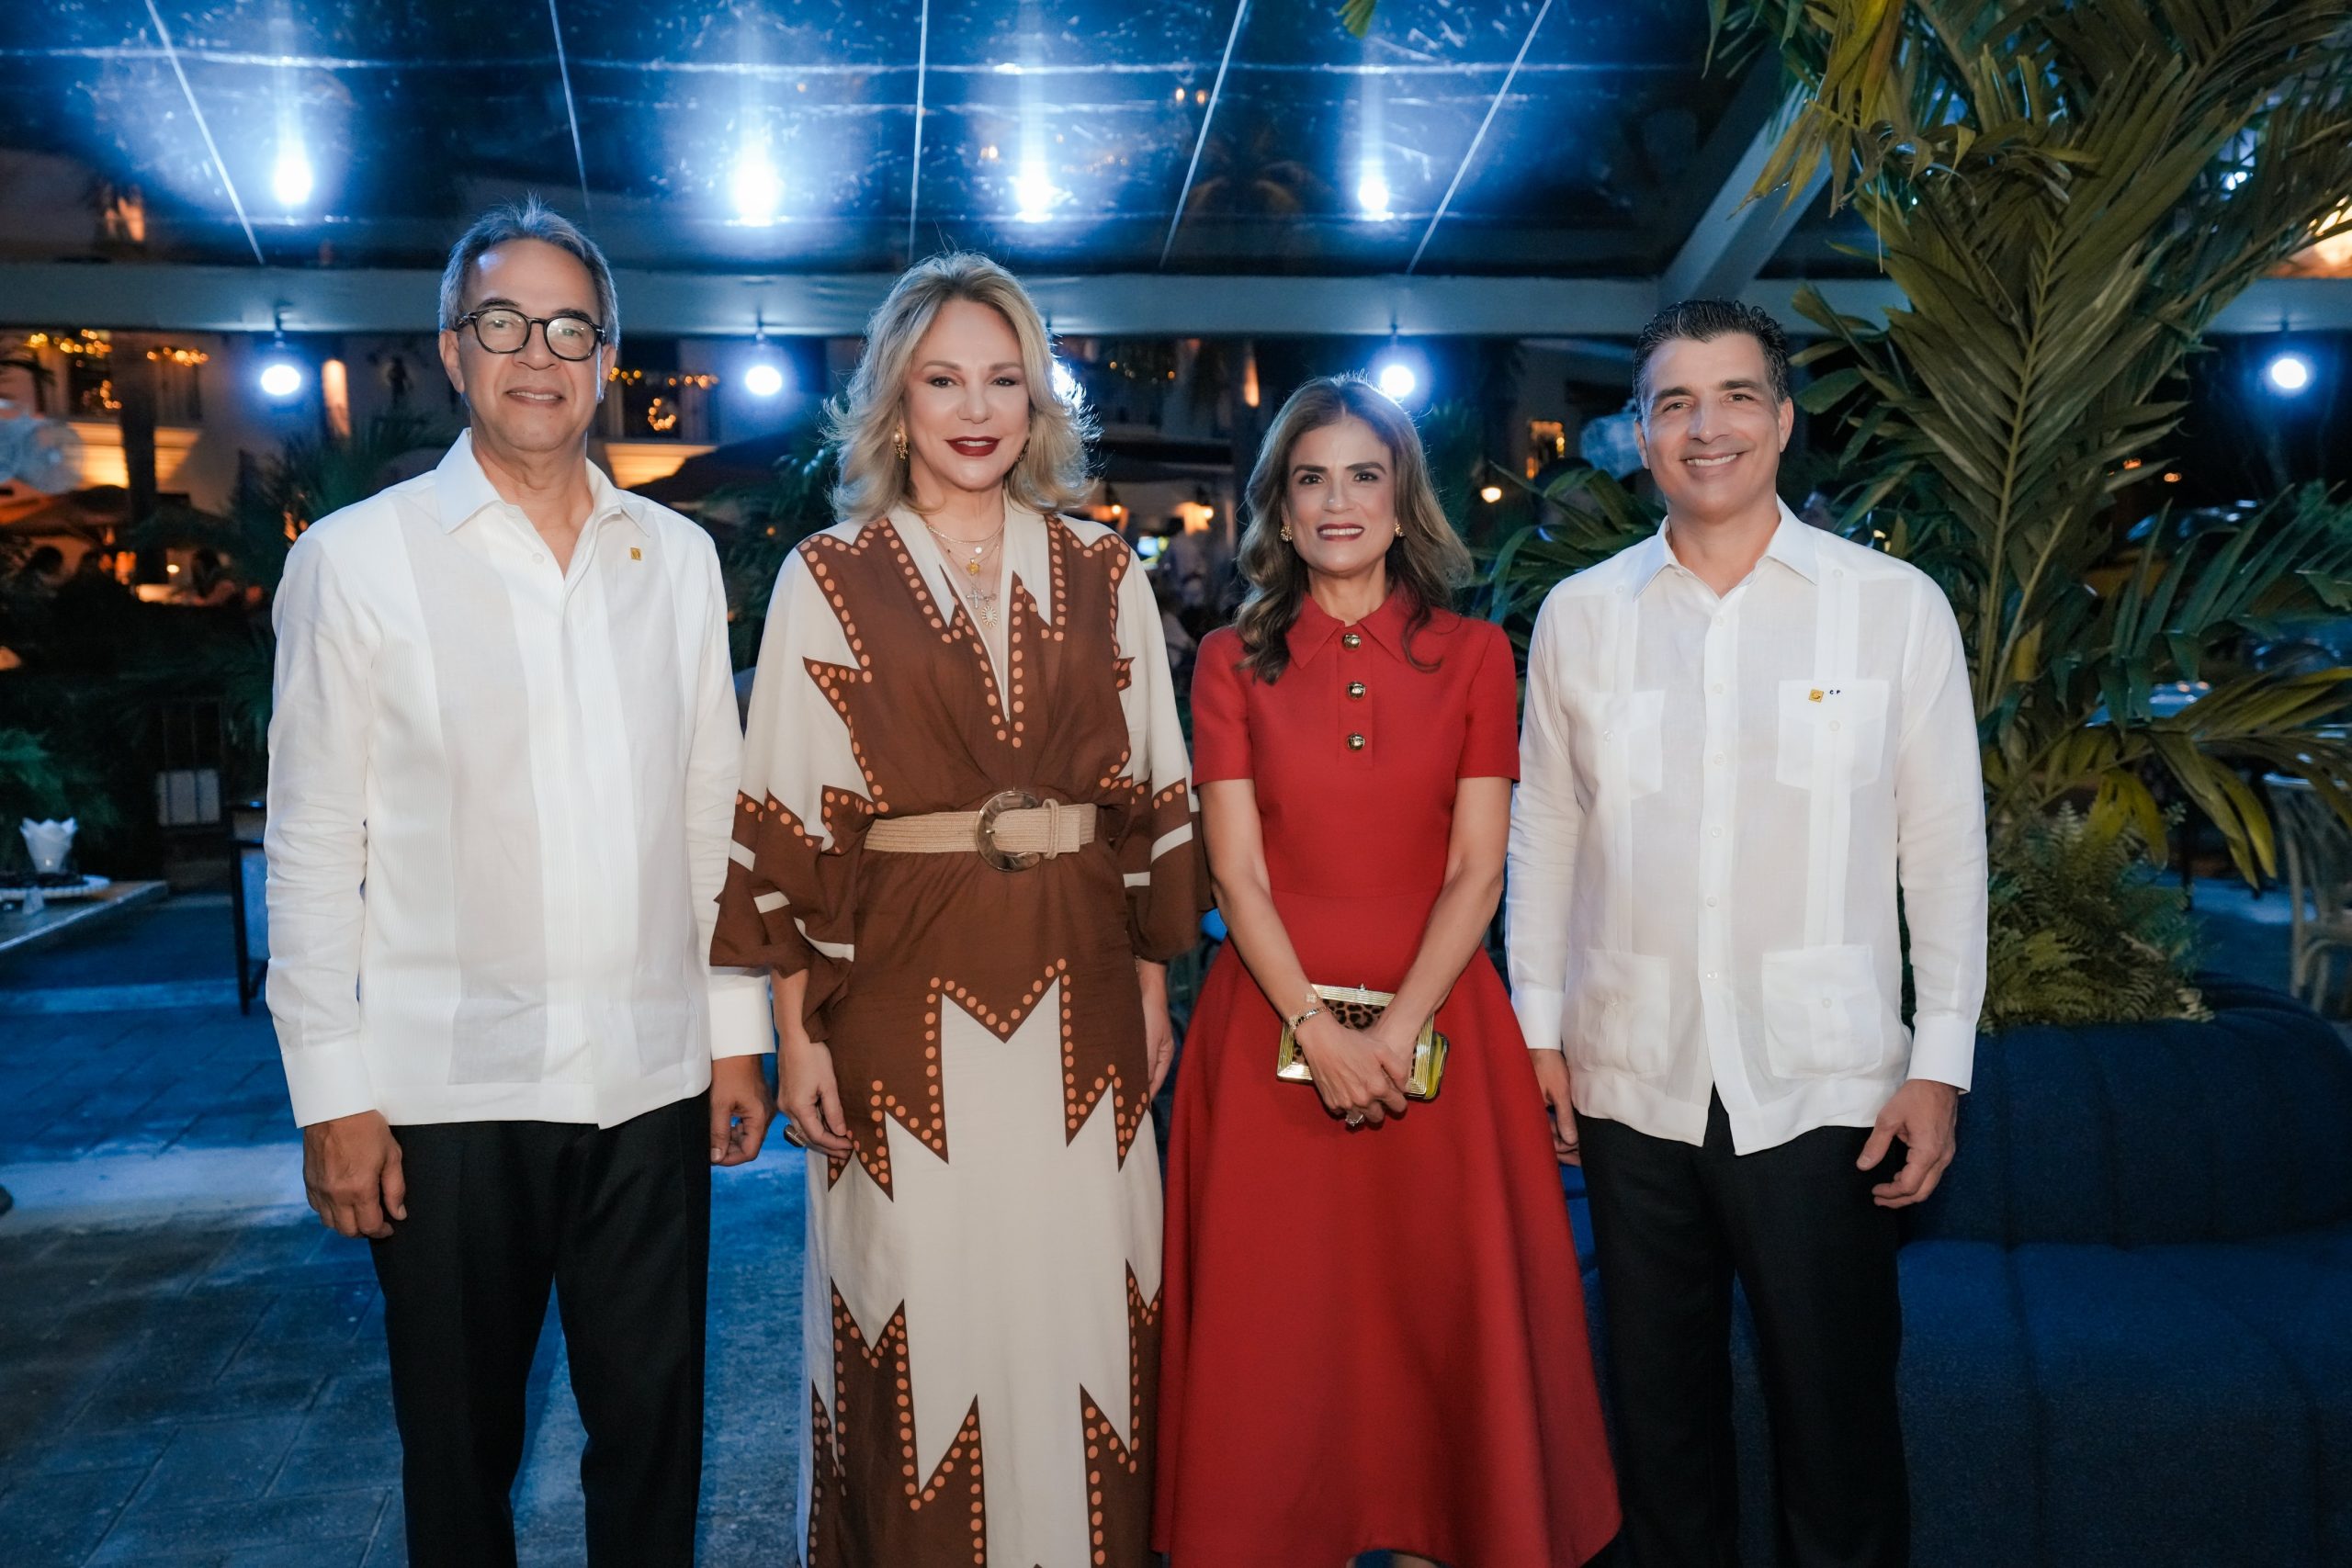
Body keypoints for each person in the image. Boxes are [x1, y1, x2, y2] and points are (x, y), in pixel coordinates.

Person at [265, 197, 774, 1566]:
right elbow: (312, 842)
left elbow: (706, 814)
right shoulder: (355, 562)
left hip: (645, 1078)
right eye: (503, 322)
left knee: (656, 1440)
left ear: (606, 358)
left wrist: (736, 1040)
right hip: (441, 1094)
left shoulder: (672, 561)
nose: (534, 353)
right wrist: (332, 1093)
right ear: (453, 349)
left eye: (567, 326)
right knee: (458, 1455)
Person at [712, 251, 1205, 1568]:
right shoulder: (828, 571)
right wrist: (796, 1035)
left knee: (1087, 1311)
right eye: (944, 379)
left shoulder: (1109, 571)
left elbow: (1151, 799)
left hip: (1088, 1001)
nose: (976, 407)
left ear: (1039, 400)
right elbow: (788, 823)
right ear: (895, 399)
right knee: (920, 1311)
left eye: (1004, 377)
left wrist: (1155, 992)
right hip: (897, 1006)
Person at [1508, 299, 1987, 1568]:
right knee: (1659, 1438)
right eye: (1673, 402)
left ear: (1783, 420)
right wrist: (1538, 1033)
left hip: (1825, 1083)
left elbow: (1942, 849)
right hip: (1630, 1074)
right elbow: (1545, 833)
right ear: (1639, 434)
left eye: (1732, 397)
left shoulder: (1890, 609)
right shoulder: (1582, 618)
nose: (1704, 426)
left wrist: (1938, 1062)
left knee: (1837, 1430)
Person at [1155, 375, 1621, 1568]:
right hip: (1269, 1043)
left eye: (1364, 474)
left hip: (1443, 1050)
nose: (1338, 500)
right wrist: (1321, 1028)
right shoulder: (1226, 662)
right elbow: (1236, 878)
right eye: (1311, 478)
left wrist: (1394, 1032)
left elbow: (1476, 874)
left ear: (1404, 497)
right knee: (1283, 1347)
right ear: (1281, 505)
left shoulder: (1473, 657)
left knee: (1436, 1348)